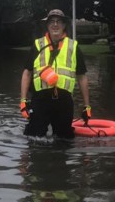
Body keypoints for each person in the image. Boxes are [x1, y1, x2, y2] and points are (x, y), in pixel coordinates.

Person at [20, 9, 90, 139]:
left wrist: (87, 106)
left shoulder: (73, 47)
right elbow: (27, 73)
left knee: (64, 140)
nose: (55, 25)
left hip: (64, 101)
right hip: (40, 99)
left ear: (64, 25)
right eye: (52, 21)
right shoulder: (37, 45)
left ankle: (58, 158)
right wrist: (23, 100)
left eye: (59, 22)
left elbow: (82, 77)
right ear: (47, 25)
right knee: (34, 138)